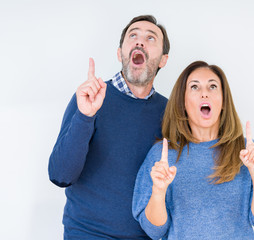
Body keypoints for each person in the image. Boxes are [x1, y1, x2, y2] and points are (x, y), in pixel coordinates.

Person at [48, 15, 170, 239]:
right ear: (119, 53)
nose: (140, 41)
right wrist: (86, 116)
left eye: (150, 38)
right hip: (86, 233)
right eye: (133, 35)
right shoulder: (89, 98)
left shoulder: (171, 113)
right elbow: (60, 175)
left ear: (163, 59)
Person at [132, 61, 254, 239]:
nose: (204, 93)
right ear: (183, 102)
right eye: (195, 87)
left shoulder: (247, 152)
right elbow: (154, 230)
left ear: (223, 101)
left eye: (212, 86)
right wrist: (158, 191)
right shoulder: (161, 155)